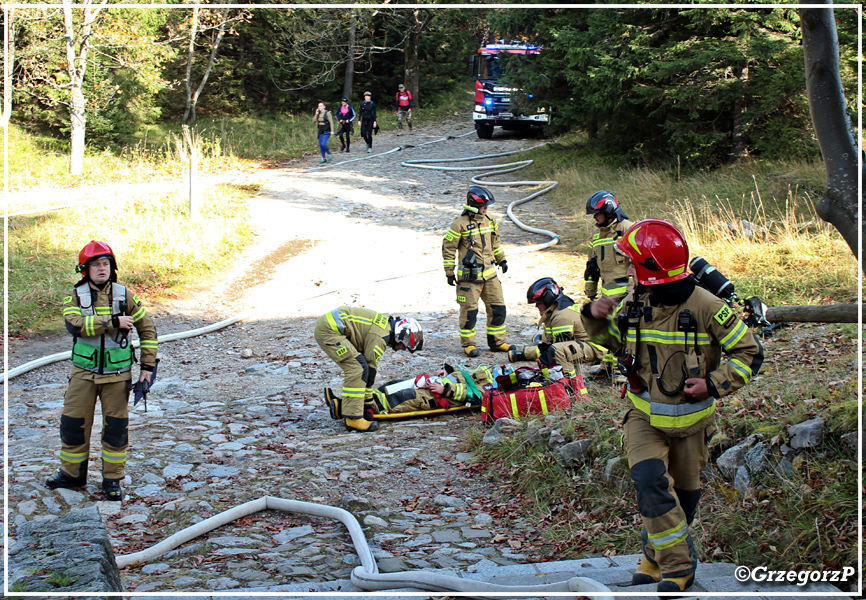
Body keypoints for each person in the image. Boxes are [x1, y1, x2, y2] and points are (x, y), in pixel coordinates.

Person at [581, 219, 763, 593]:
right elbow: (616, 346)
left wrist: (714, 384)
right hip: (643, 415)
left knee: (684, 499)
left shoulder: (708, 306)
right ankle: (679, 567)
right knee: (649, 482)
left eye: (633, 264)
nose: (627, 270)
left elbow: (750, 353)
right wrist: (595, 318)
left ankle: (653, 556)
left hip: (693, 423)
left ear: (651, 270)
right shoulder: (635, 301)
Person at [46, 241, 159, 501]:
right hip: (83, 375)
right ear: (85, 269)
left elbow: (148, 330)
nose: (101, 268)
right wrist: (112, 322)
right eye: (96, 264)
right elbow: (75, 325)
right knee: (73, 425)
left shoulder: (125, 295)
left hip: (117, 377)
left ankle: (112, 480)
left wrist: (147, 367)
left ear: (112, 267)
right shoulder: (75, 296)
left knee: (116, 430)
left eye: (105, 263)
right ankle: (72, 475)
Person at [314, 307, 423, 432]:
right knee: (357, 368)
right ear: (401, 335)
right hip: (330, 330)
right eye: (405, 345)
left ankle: (346, 407)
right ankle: (353, 419)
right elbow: (370, 372)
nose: (403, 349)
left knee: (359, 366)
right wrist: (368, 405)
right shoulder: (381, 337)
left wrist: (366, 404)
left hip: (330, 327)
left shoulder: (384, 329)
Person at [442, 185, 511, 357]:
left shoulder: (490, 220)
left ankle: (497, 342)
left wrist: (501, 260)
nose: (486, 209)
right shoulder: (459, 224)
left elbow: (496, 243)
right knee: (469, 312)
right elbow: (448, 248)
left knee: (498, 309)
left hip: (490, 276)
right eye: (484, 206)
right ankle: (469, 345)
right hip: (469, 279)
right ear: (473, 205)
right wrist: (449, 272)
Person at [584, 190, 634, 382]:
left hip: (626, 292)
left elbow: (637, 261)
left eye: (597, 214)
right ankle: (608, 365)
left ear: (609, 210)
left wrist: (632, 290)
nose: (595, 218)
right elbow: (592, 267)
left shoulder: (628, 230)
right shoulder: (597, 236)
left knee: (625, 330)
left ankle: (623, 368)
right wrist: (590, 289)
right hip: (607, 293)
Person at [507, 277, 601, 378]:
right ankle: (570, 380)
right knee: (552, 352)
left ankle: (571, 384)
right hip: (585, 345)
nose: (536, 306)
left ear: (548, 299)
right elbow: (548, 342)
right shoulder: (554, 311)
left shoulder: (561, 316)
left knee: (556, 351)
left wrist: (527, 354)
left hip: (596, 348)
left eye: (539, 302)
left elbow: (558, 349)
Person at [368, 363, 496, 416]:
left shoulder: (494, 388)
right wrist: (449, 372)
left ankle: (370, 405)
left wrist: (446, 389)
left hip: (441, 397)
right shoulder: (490, 372)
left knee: (406, 397)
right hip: (436, 384)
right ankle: (367, 396)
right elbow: (467, 377)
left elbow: (475, 395)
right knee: (395, 384)